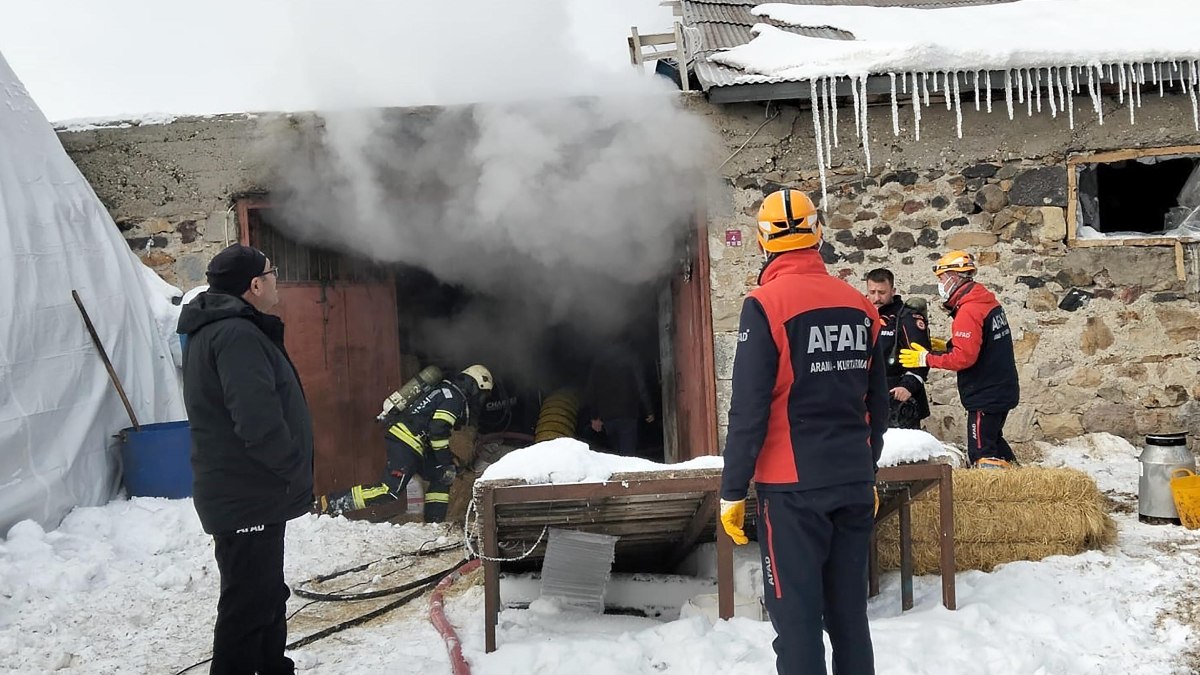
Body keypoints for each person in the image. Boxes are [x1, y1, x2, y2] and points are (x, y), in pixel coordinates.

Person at [720, 189, 888, 675]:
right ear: (818, 233)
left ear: (762, 241)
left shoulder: (765, 305)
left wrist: (732, 489)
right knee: (849, 617)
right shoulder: (860, 304)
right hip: (853, 481)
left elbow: (749, 409)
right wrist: (867, 469)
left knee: (796, 621)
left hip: (792, 489)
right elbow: (876, 404)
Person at [178, 243, 313, 675]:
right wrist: (293, 468)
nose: (277, 281)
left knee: (267, 595)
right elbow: (257, 421)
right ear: (255, 285)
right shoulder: (235, 335)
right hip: (245, 493)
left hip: (250, 492)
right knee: (247, 606)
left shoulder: (225, 329)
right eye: (273, 273)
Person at [320, 365, 494, 522]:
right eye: (481, 393)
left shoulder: (443, 389)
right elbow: (438, 429)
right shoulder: (454, 398)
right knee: (389, 491)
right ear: (474, 386)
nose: (480, 399)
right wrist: (445, 460)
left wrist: (447, 462)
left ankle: (435, 523)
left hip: (415, 443)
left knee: (442, 476)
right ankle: (331, 503)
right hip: (406, 442)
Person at [899, 250, 1020, 469]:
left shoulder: (968, 310)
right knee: (994, 441)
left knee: (982, 453)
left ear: (954, 277)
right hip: (1001, 387)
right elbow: (982, 343)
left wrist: (926, 358)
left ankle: (994, 496)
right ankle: (1022, 482)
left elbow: (963, 359)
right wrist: (946, 346)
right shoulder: (984, 300)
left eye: (942, 279)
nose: (940, 284)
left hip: (986, 393)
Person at [864, 268, 932, 429]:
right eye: (872, 292)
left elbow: (922, 358)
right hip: (868, 396)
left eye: (882, 292)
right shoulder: (860, 314)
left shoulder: (907, 318)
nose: (876, 298)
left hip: (898, 397)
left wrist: (907, 386)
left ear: (893, 291)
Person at [584, 342, 655, 456]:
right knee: (628, 454)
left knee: (615, 454)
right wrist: (648, 410)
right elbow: (640, 387)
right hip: (628, 414)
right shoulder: (631, 358)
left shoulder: (599, 361)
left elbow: (592, 391)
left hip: (607, 417)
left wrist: (594, 417)